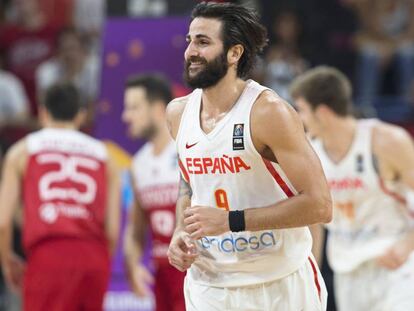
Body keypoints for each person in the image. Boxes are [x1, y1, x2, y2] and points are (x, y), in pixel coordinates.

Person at [166, 2, 332, 310]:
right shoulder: (178, 113)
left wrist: (231, 221)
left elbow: (320, 205)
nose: (190, 51)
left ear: (234, 53)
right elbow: (189, 181)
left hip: (279, 281)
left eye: (203, 42)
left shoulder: (269, 112)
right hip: (210, 285)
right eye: (189, 41)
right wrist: (180, 229)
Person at [290, 66, 414, 311]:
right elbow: (314, 222)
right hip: (347, 270)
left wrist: (408, 244)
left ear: (323, 112)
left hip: (397, 265)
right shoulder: (310, 155)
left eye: (301, 110)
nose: (298, 119)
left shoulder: (386, 140)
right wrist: (310, 278)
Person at [0, 83, 120, 311]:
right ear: (81, 115)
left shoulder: (21, 151)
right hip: (94, 256)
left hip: (49, 256)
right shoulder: (106, 156)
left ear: (43, 112)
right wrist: (99, 261)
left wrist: (7, 260)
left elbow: (3, 222)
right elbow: (112, 229)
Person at [122, 73, 185, 311]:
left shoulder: (188, 151)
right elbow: (135, 228)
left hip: (198, 273)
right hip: (162, 276)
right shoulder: (138, 164)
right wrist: (132, 263)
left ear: (159, 109)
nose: (126, 116)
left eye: (134, 108)